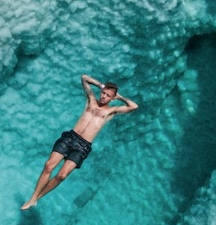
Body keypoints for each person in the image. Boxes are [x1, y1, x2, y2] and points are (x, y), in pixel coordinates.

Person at [21, 74, 139, 210]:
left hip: (83, 146)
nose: (104, 96)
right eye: (103, 93)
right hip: (70, 137)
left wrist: (120, 97)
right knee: (49, 166)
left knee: (62, 175)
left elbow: (134, 106)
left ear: (112, 99)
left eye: (108, 96)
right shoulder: (91, 100)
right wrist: (101, 85)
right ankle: (33, 197)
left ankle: (37, 198)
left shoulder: (112, 111)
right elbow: (84, 78)